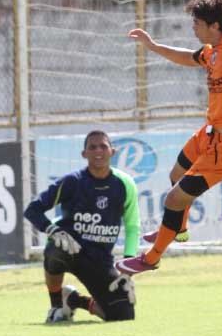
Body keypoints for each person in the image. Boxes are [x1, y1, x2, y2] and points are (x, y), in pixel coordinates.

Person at [115, 0, 222, 275]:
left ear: (214, 25)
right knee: (176, 176)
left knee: (174, 199)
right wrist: (152, 45)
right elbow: (187, 57)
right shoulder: (213, 50)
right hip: (209, 133)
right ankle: (179, 227)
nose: (193, 28)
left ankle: (151, 258)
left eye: (197, 23)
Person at [24, 130, 140, 323]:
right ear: (84, 154)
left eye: (103, 146)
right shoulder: (73, 181)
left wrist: (127, 268)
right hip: (70, 249)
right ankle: (56, 307)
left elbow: (133, 226)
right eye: (92, 147)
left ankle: (74, 300)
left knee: (123, 315)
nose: (98, 151)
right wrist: (52, 230)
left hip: (99, 260)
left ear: (112, 151)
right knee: (57, 246)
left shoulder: (124, 184)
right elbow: (33, 209)